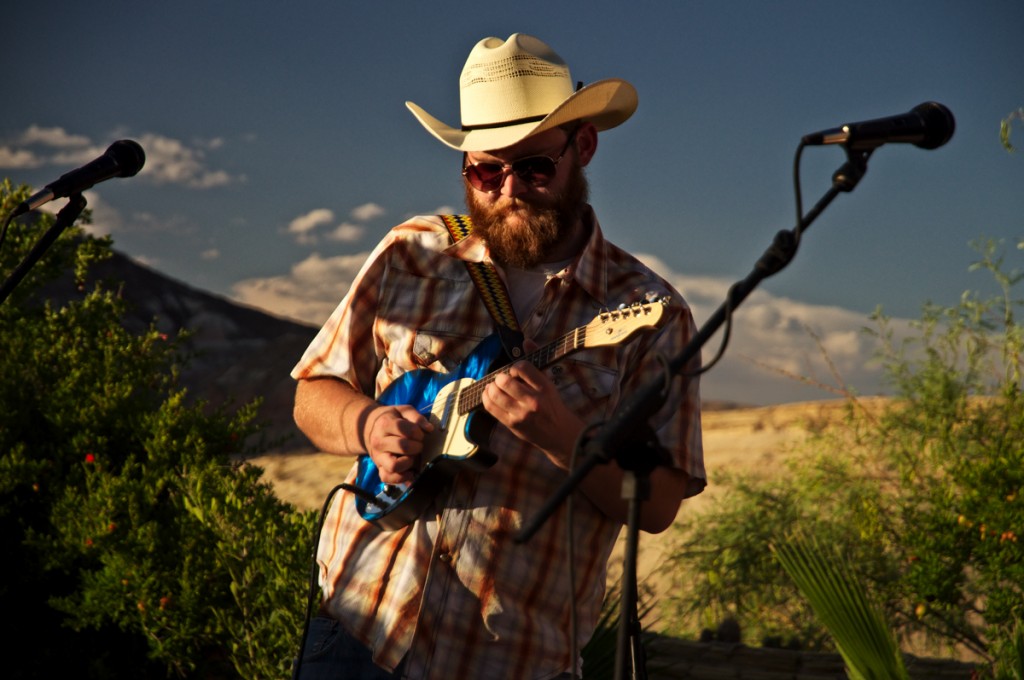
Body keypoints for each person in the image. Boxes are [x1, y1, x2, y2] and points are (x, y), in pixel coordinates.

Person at [290, 33, 705, 679]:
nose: (509, 189)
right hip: (356, 627)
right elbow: (316, 392)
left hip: (510, 658)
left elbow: (656, 507)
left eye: (535, 166)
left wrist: (566, 440)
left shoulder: (653, 312)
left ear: (584, 146)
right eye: (486, 171)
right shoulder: (411, 252)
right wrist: (368, 426)